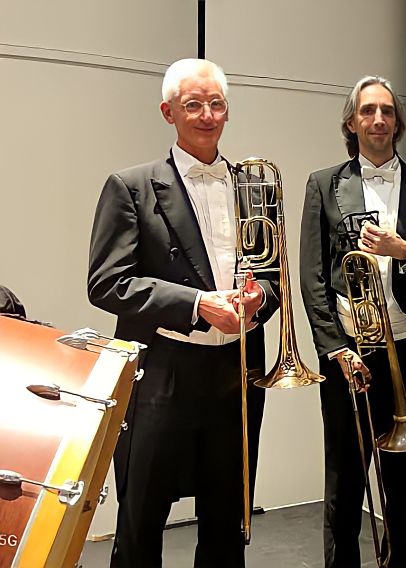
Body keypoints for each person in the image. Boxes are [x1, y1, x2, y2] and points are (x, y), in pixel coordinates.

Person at [87, 58, 279, 568]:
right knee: (142, 519)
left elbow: (273, 273)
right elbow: (107, 283)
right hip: (162, 374)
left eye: (216, 104)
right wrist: (196, 304)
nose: (207, 115)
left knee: (226, 522)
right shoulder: (131, 186)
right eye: (193, 104)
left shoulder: (254, 184)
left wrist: (261, 300)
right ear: (168, 111)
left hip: (234, 373)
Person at [299, 75, 406, 568]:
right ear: (351, 122)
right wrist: (334, 348)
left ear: (398, 122)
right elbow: (312, 278)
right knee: (345, 483)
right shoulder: (324, 184)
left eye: (387, 111)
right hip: (349, 353)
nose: (379, 119)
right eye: (368, 111)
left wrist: (405, 250)